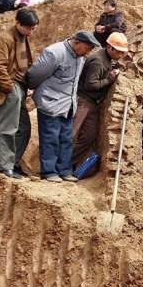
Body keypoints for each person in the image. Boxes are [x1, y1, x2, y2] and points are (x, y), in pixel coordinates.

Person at [27, 31, 101, 183]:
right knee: (50, 138)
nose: (88, 52)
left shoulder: (79, 57)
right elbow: (35, 75)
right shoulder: (54, 52)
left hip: (68, 105)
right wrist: (39, 96)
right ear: (77, 42)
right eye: (87, 48)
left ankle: (64, 170)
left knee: (66, 139)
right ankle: (49, 172)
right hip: (51, 103)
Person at [0, 9, 39, 179]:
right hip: (9, 86)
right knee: (7, 127)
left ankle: (12, 163)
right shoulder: (4, 39)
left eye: (33, 28)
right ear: (18, 23)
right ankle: (2, 166)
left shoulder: (23, 38)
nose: (31, 31)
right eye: (28, 28)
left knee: (23, 128)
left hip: (19, 87)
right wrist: (9, 88)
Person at [72, 32, 128, 167]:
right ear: (110, 48)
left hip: (92, 104)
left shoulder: (107, 59)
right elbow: (90, 84)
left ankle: (70, 163)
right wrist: (109, 79)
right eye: (119, 52)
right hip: (84, 101)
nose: (120, 56)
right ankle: (59, 166)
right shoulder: (98, 60)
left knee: (88, 137)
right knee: (72, 133)